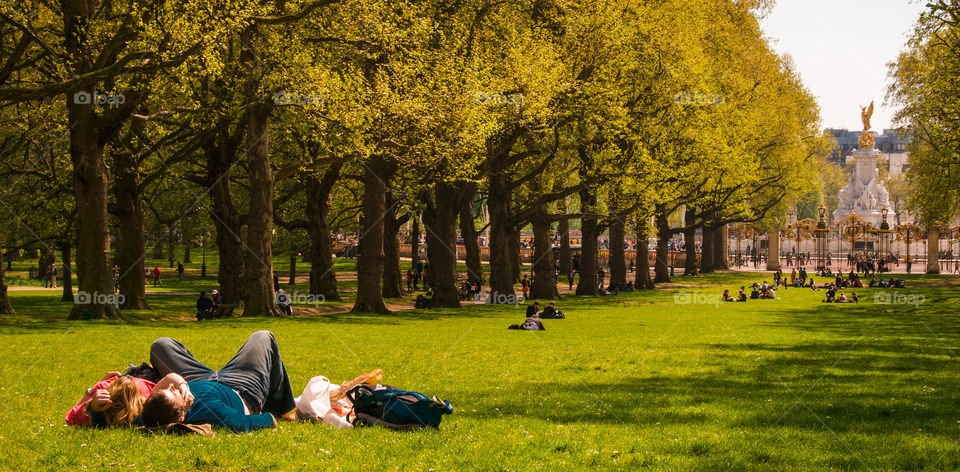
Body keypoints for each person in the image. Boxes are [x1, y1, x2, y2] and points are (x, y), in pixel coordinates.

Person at [141, 331, 296, 432]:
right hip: (239, 385)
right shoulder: (214, 411)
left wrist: (181, 385)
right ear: (182, 416)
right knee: (263, 337)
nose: (170, 387)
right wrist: (270, 417)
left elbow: (170, 379)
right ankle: (283, 407)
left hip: (195, 378)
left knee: (161, 345)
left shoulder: (148, 413)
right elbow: (245, 423)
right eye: (174, 393)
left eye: (165, 389)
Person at [67, 372, 156, 427]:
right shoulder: (148, 399)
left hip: (142, 379)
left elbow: (70, 417)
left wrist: (90, 393)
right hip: (145, 379)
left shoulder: (101, 390)